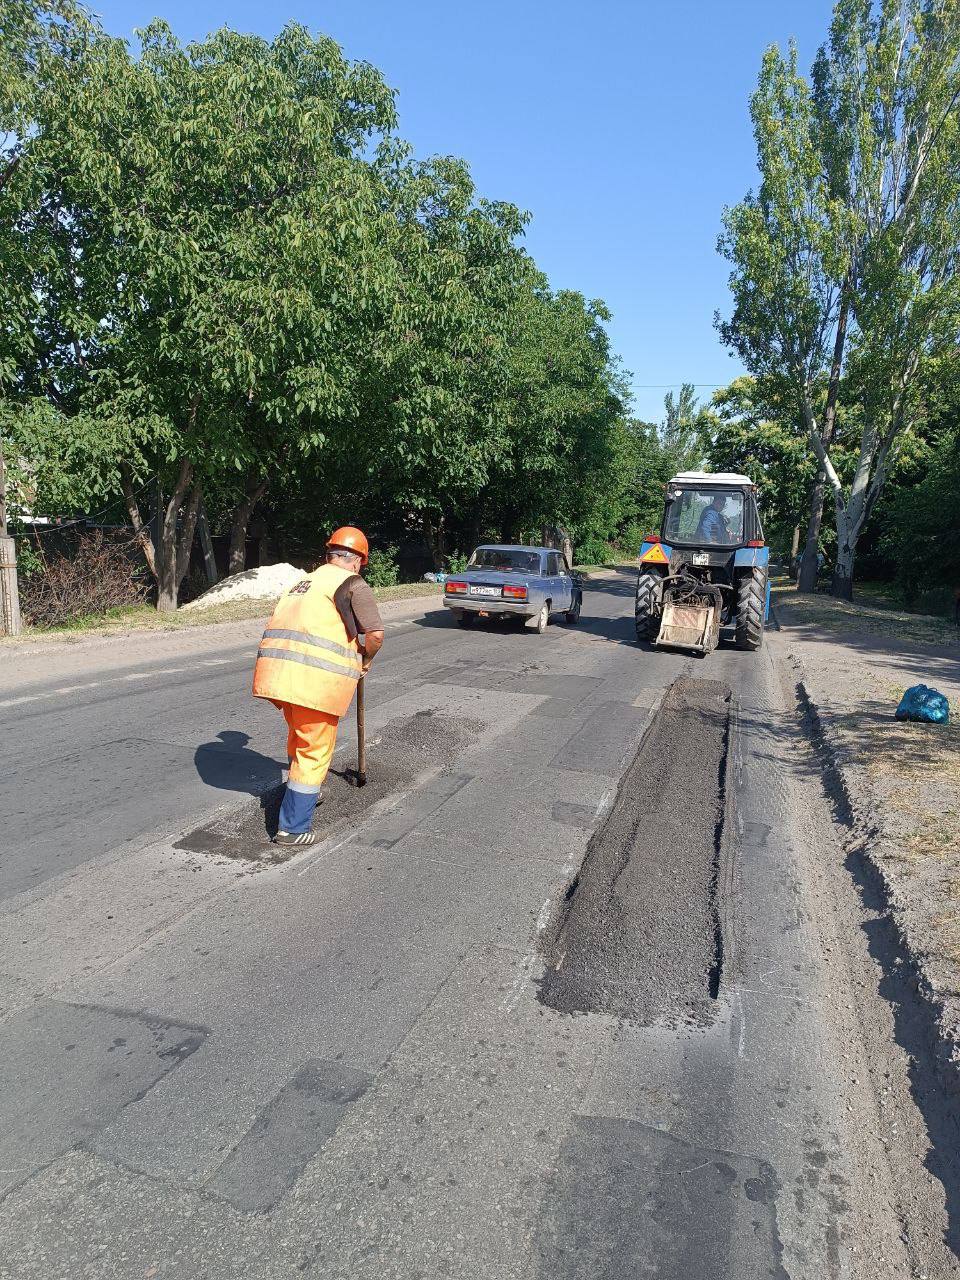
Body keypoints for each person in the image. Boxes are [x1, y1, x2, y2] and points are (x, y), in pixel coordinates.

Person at [252, 527, 384, 847]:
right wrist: (364, 661)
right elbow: (375, 635)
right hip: (316, 682)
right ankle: (293, 828)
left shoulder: (302, 582)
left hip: (278, 676)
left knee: (300, 737)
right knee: (314, 751)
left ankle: (308, 791)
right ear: (358, 561)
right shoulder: (352, 583)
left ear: (330, 555)